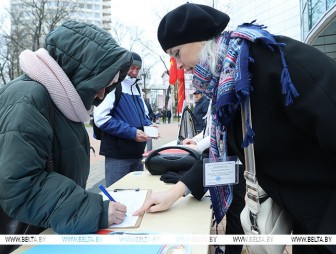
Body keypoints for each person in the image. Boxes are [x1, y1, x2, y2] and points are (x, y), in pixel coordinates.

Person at [135, 3, 336, 254]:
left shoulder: (274, 59)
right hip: (302, 210)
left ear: (199, 39)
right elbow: (224, 154)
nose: (177, 65)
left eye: (177, 53)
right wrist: (175, 193)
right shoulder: (227, 84)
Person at [0, 21, 129, 251]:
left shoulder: (64, 102)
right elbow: (19, 184)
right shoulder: (28, 97)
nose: (100, 94)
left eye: (108, 87)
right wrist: (91, 210)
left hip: (46, 231)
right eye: (99, 83)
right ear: (77, 71)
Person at [94, 52, 156, 187]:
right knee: (117, 195)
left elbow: (143, 116)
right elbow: (101, 119)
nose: (134, 72)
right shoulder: (113, 85)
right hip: (118, 154)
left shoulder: (136, 88)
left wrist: (150, 127)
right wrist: (132, 133)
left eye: (138, 69)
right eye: (131, 67)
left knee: (136, 193)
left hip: (137, 153)